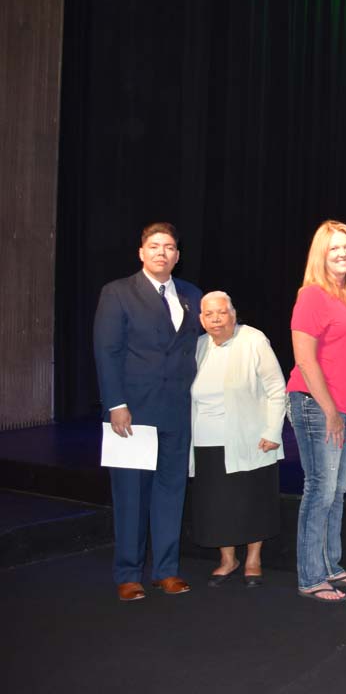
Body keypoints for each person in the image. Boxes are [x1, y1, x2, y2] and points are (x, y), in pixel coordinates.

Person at [93, 222, 203, 601]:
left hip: (177, 409)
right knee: (130, 494)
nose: (162, 252)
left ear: (177, 255)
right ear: (141, 252)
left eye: (169, 247)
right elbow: (107, 352)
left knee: (171, 491)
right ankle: (128, 573)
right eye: (154, 246)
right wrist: (115, 405)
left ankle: (166, 571)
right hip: (132, 412)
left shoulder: (191, 294)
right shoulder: (118, 293)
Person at [285, 220, 346, 603]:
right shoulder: (312, 296)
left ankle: (331, 565)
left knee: (338, 490)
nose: (343, 254)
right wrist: (330, 409)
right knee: (320, 490)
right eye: (334, 248)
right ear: (321, 253)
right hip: (317, 405)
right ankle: (311, 575)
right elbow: (305, 358)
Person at [190, 291, 285, 588]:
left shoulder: (254, 340)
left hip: (249, 436)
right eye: (209, 314)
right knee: (216, 504)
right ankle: (228, 559)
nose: (215, 319)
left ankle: (253, 559)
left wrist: (272, 431)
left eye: (221, 312)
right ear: (201, 319)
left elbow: (276, 388)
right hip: (206, 440)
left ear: (233, 314)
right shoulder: (200, 345)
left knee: (251, 498)